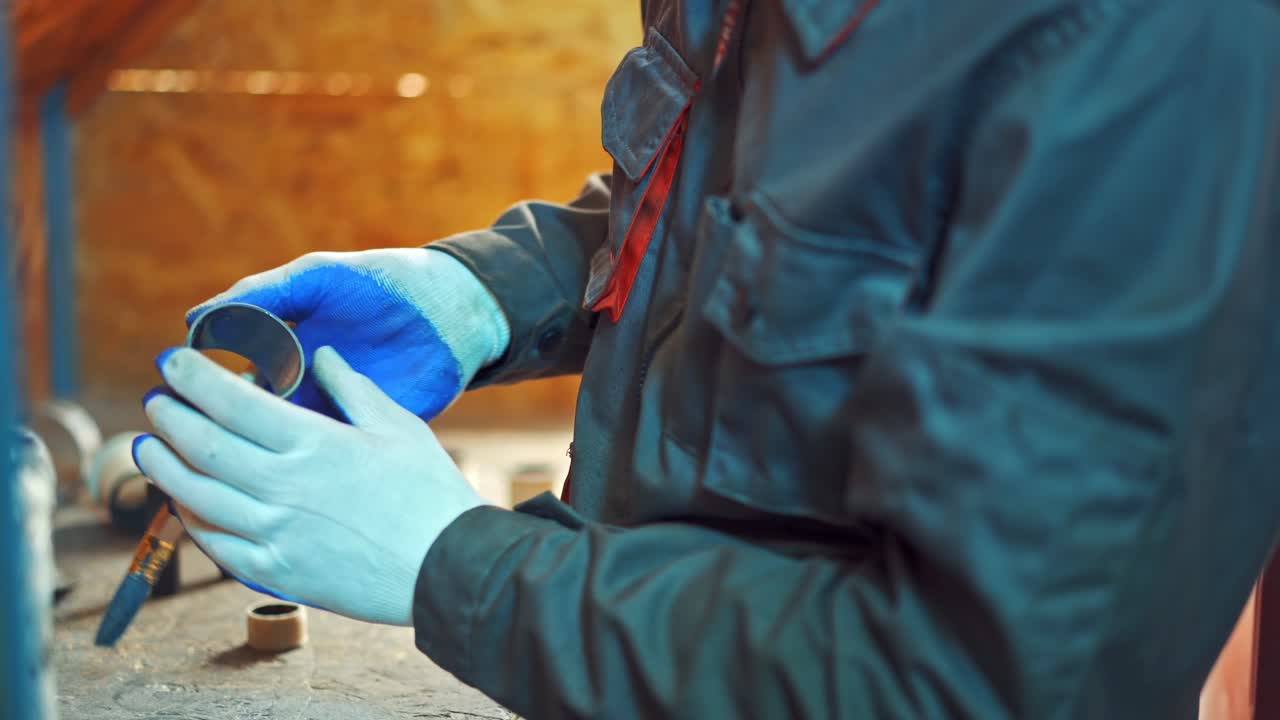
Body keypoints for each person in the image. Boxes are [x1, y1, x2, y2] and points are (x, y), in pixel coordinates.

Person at [131, 1, 1280, 717]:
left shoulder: (1135, 42)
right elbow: (766, 223)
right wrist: (490, 291)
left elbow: (981, 684)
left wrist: (454, 562)